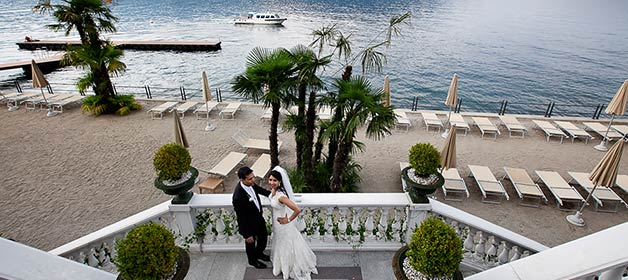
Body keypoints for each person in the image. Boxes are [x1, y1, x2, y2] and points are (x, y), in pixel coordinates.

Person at [268, 167, 318, 280]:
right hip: (277, 225)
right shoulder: (274, 191)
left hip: (283, 225)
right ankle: (279, 264)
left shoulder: (281, 196)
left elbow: (297, 209)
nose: (271, 182)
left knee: (285, 245)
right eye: (270, 180)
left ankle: (287, 268)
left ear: (280, 182)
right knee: (279, 243)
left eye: (274, 180)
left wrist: (288, 220)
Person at [232, 166, 271, 269]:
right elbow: (241, 217)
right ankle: (252, 261)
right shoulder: (238, 197)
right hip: (249, 225)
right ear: (242, 180)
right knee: (250, 244)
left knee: (263, 238)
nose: (253, 180)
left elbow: (260, 190)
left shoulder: (251, 184)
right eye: (250, 178)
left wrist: (273, 195)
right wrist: (247, 234)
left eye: (253, 177)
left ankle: (259, 254)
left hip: (258, 219)